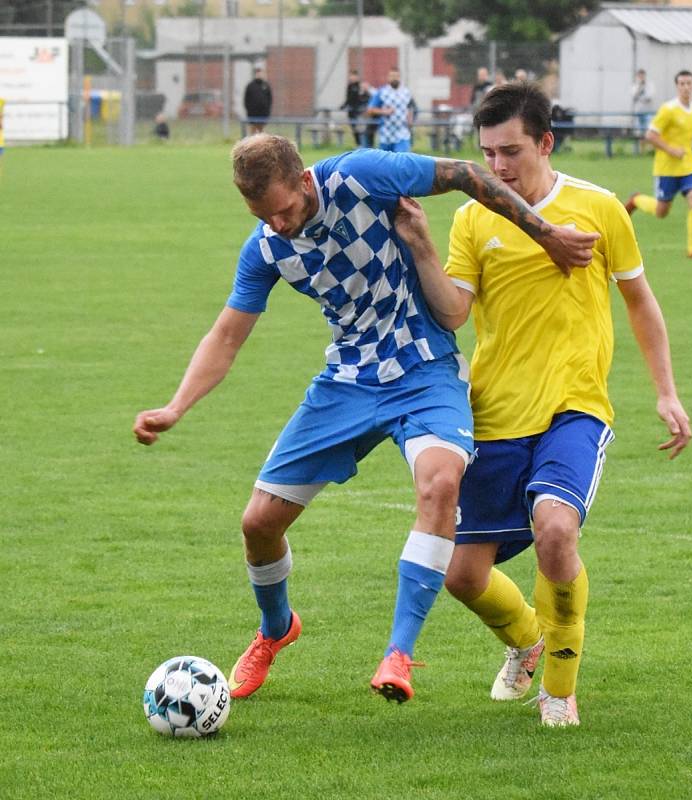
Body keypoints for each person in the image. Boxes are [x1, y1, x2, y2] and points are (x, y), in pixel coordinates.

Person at [132, 134, 599, 706]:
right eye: (262, 216)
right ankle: (276, 629)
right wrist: (176, 405)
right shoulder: (266, 249)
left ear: (305, 181)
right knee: (258, 525)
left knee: (441, 483)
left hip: (425, 370)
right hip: (347, 383)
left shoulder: (360, 175)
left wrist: (545, 233)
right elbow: (227, 334)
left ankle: (399, 654)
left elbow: (463, 173)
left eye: (283, 209)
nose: (277, 224)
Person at [393, 81, 692, 727]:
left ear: (545, 142)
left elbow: (638, 299)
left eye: (510, 152)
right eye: (485, 154)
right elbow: (453, 314)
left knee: (555, 529)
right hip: (494, 409)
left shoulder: (598, 207)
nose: (496, 167)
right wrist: (420, 244)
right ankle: (527, 643)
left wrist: (665, 391)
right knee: (462, 577)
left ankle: (559, 689)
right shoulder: (474, 216)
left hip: (574, 404)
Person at [625, 70, 692, 259]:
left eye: (688, 83)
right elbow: (650, 135)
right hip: (666, 168)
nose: (685, 87)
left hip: (689, 167)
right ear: (677, 86)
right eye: (682, 84)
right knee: (661, 211)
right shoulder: (668, 109)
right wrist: (671, 150)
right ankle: (636, 200)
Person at [366, 67, 414, 152]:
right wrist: (384, 112)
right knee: (386, 164)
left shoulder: (406, 92)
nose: (394, 78)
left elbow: (411, 107)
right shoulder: (382, 92)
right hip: (386, 135)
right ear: (388, 77)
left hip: (402, 134)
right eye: (392, 76)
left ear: (399, 77)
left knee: (402, 161)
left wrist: (410, 118)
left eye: (396, 76)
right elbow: (370, 110)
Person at [340, 69, 369, 147]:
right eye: (351, 76)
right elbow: (348, 98)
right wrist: (344, 105)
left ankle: (363, 144)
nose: (352, 78)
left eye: (354, 76)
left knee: (360, 128)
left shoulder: (360, 86)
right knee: (353, 128)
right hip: (351, 111)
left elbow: (365, 97)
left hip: (359, 111)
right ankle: (358, 144)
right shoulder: (349, 86)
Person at [243, 66, 273, 134]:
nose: (259, 75)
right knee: (252, 132)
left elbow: (270, 100)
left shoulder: (266, 85)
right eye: (258, 73)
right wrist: (249, 110)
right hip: (252, 114)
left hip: (263, 114)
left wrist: (267, 111)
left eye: (261, 73)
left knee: (261, 133)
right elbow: (246, 100)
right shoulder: (250, 86)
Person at [631, 68, 656, 133]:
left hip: (647, 110)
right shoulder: (635, 85)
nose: (641, 77)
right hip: (638, 110)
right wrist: (640, 87)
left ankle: (646, 141)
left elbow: (650, 96)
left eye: (642, 76)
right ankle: (639, 142)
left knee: (647, 128)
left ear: (645, 76)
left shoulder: (650, 85)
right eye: (639, 76)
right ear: (637, 76)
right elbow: (633, 96)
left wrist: (640, 98)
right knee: (638, 129)